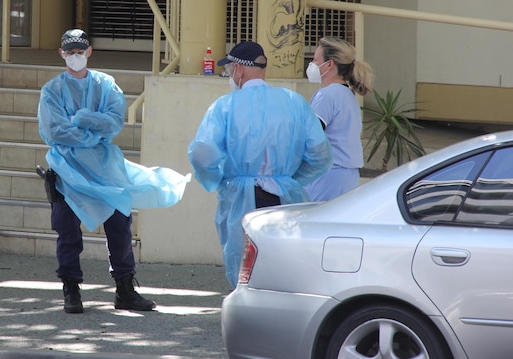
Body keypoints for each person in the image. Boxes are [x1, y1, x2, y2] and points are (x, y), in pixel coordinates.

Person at [38, 28, 189, 314]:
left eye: (79, 52)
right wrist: (93, 134)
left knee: (120, 226)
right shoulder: (52, 91)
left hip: (105, 168)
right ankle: (71, 289)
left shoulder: (106, 85)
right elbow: (55, 131)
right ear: (61, 53)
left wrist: (81, 119)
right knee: (67, 231)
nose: (74, 57)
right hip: (67, 171)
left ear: (89, 52)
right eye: (69, 52)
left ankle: (125, 289)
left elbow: (114, 122)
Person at [187, 41, 332, 288]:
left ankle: (248, 317)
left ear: (239, 70)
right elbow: (320, 154)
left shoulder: (225, 106)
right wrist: (289, 181)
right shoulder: (294, 102)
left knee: (245, 267)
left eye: (229, 69)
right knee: (284, 266)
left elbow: (202, 151)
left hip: (241, 197)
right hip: (285, 198)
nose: (229, 76)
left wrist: (218, 180)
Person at [304, 37, 374, 201]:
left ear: (329, 64)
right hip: (346, 176)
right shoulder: (347, 94)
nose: (312, 64)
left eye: (315, 60)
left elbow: (310, 135)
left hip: (328, 178)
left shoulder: (328, 94)